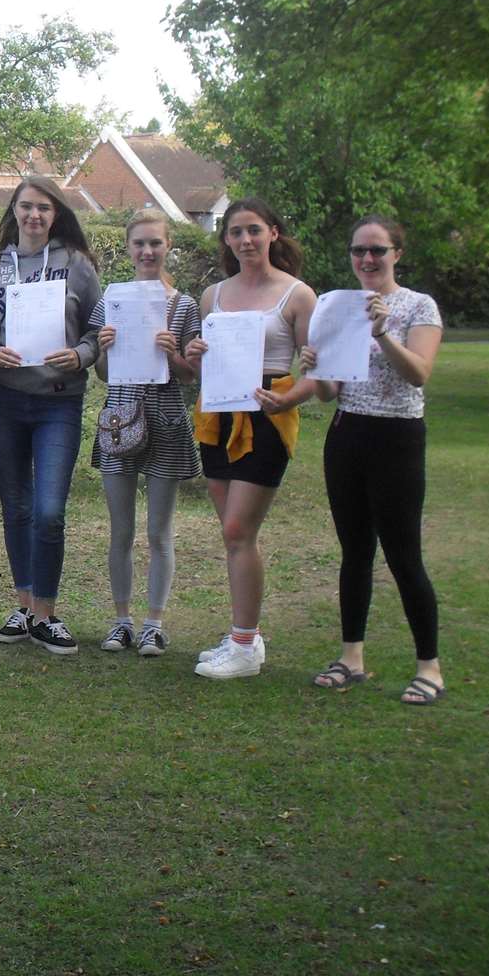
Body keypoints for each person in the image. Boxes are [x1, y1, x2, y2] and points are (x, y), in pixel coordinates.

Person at [302, 216, 445, 704]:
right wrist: (315, 368)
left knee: (404, 555)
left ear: (396, 254)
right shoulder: (340, 306)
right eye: (359, 250)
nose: (367, 259)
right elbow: (328, 392)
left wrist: (384, 332)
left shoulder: (418, 306)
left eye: (378, 251)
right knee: (355, 551)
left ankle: (429, 666)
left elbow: (419, 374)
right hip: (348, 434)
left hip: (398, 437)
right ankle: (351, 657)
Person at [185, 197, 317, 680]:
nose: (245, 240)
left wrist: (290, 399)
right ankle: (246, 635)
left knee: (240, 530)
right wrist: (195, 353)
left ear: (273, 234)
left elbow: (319, 375)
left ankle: (244, 645)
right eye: (236, 232)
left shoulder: (298, 295)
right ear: (226, 240)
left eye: (254, 231)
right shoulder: (213, 296)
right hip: (218, 413)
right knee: (233, 534)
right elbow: (202, 361)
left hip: (267, 417)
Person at [0, 176, 101, 654]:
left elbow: (96, 328)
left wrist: (82, 355)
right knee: (18, 506)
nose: (34, 216)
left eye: (43, 208)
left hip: (58, 402)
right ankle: (25, 605)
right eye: (26, 207)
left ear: (55, 214)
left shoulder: (78, 266)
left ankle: (47, 612)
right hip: (5, 400)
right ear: (14, 211)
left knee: (49, 511)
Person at [90, 210, 202, 657]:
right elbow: (101, 373)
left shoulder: (185, 305)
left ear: (168, 244)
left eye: (155, 243)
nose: (147, 251)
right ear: (129, 246)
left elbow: (191, 376)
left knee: (159, 531)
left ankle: (154, 622)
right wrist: (102, 349)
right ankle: (121, 620)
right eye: (139, 243)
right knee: (120, 531)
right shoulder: (111, 301)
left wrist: (173, 354)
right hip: (120, 419)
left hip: (167, 420)